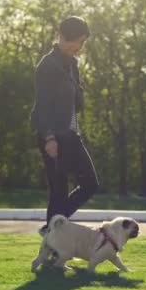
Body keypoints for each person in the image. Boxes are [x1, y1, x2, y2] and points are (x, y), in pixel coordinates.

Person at [30, 16, 99, 236]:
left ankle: (51, 228)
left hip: (71, 133)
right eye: (76, 41)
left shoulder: (73, 65)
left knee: (90, 184)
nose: (78, 47)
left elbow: (75, 103)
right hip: (53, 136)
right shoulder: (47, 66)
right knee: (59, 191)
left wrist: (79, 90)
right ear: (62, 36)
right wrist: (49, 138)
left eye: (82, 42)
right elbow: (42, 106)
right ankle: (52, 242)